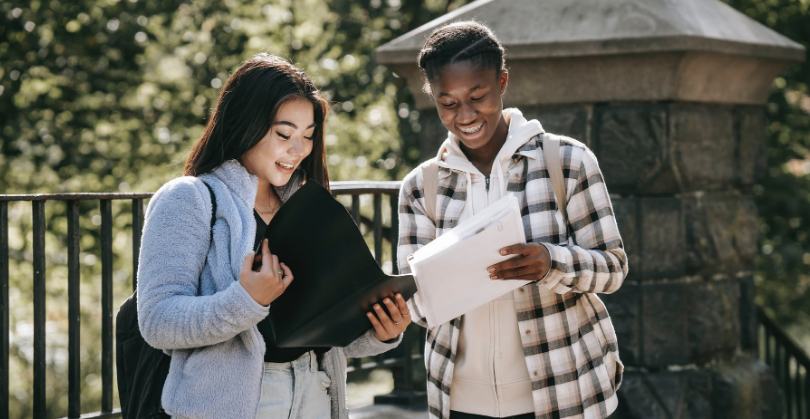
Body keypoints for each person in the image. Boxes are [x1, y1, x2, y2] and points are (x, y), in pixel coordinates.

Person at [137, 54, 411, 419]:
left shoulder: (310, 205)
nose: (298, 150)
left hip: (315, 391)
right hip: (232, 404)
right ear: (245, 124)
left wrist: (380, 332)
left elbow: (322, 332)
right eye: (284, 134)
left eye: (308, 136)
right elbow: (158, 322)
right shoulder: (189, 199)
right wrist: (245, 301)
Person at [397, 21, 628, 419]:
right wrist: (427, 295)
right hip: (460, 402)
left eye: (478, 96)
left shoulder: (567, 161)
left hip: (564, 394)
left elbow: (613, 269)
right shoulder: (421, 186)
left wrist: (550, 262)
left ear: (502, 82)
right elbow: (413, 300)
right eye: (447, 102)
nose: (464, 115)